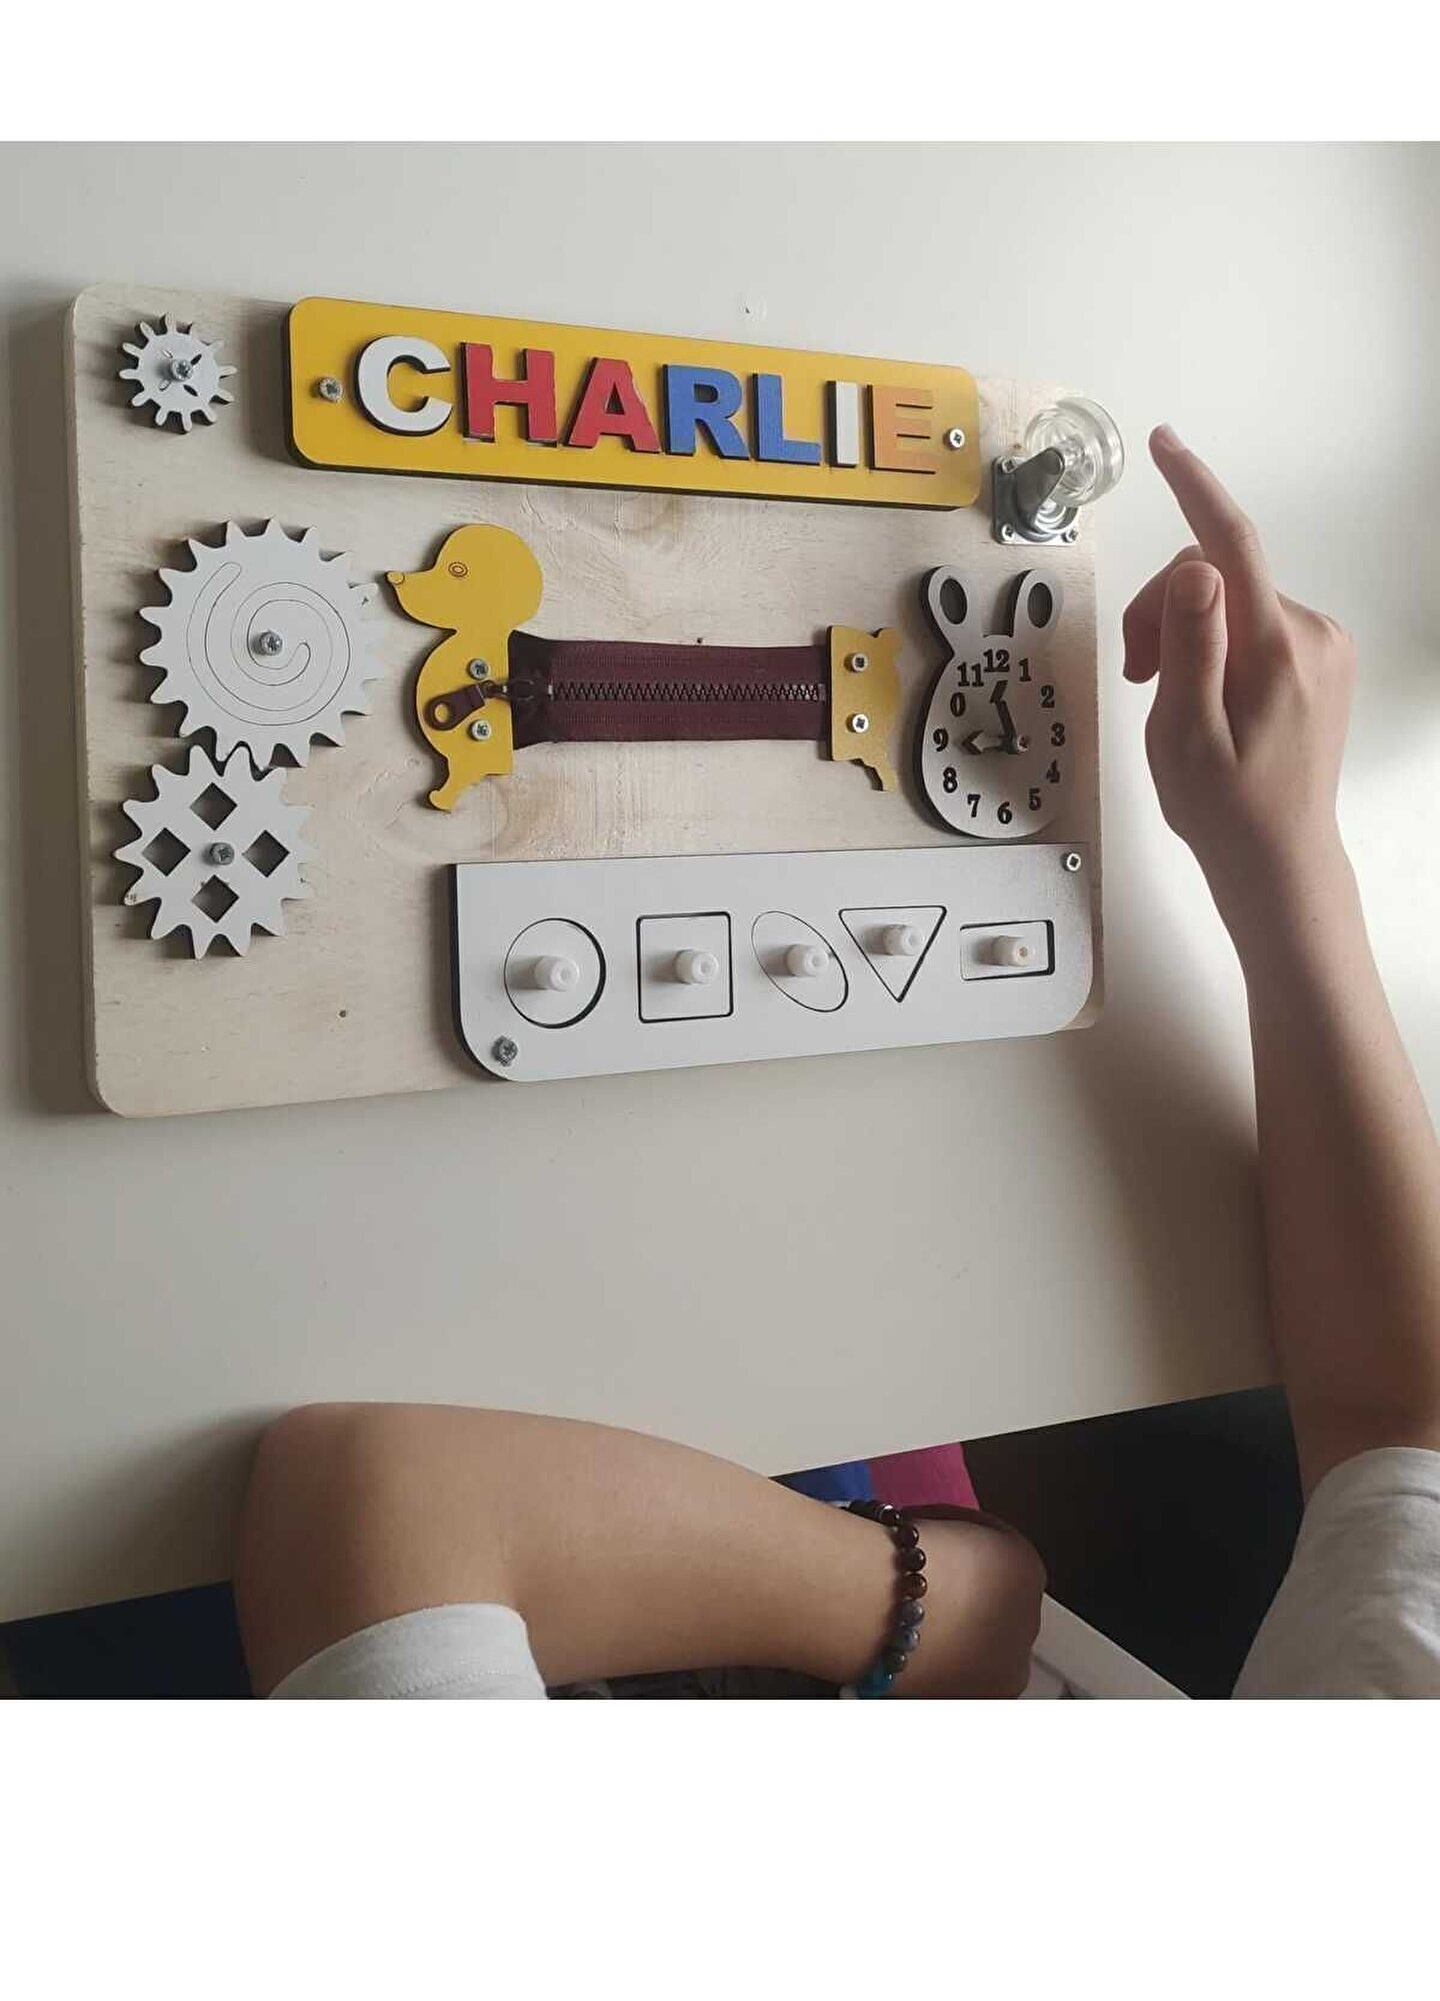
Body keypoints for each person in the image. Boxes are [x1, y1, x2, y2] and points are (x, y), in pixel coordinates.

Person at [235, 428, 1440, 1700]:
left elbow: (376, 1497)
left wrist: (958, 1600)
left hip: (875, 1600)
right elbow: (1401, 1432)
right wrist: (1286, 852)